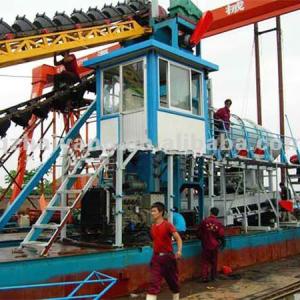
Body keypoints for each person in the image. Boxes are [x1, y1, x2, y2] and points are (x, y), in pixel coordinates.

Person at [146, 202, 182, 300]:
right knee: (153, 283)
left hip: (168, 258)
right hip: (156, 258)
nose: (152, 213)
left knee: (173, 282)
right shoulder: (152, 227)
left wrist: (179, 251)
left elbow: (178, 238)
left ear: (161, 212)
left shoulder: (168, 225)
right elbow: (155, 241)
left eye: (154, 211)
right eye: (151, 211)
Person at [197, 207, 225, 283]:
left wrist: (203, 239)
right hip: (214, 245)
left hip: (205, 245)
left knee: (205, 261)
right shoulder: (218, 223)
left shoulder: (204, 221)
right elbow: (221, 235)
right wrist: (222, 243)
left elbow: (198, 233)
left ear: (210, 212)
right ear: (217, 213)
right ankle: (213, 277)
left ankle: (204, 277)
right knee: (214, 262)